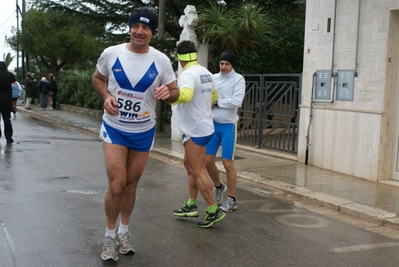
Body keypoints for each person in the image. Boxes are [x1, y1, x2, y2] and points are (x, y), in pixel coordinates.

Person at [92, 6, 179, 262]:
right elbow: (97, 78)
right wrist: (106, 95)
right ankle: (109, 236)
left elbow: (174, 92)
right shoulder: (111, 53)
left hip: (143, 130)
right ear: (130, 28)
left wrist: (168, 94)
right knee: (117, 185)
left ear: (152, 32)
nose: (140, 32)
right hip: (115, 128)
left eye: (146, 28)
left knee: (131, 185)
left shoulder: (161, 60)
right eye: (136, 27)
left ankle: (124, 232)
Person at [172, 40, 226, 228]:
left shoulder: (187, 74)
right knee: (189, 165)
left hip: (194, 129)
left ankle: (213, 210)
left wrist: (168, 97)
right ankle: (191, 205)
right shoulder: (206, 72)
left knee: (197, 170)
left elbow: (185, 96)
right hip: (204, 127)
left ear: (180, 57)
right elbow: (214, 98)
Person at [205, 51, 246, 212]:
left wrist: (217, 102)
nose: (223, 67)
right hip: (213, 125)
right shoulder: (214, 78)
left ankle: (232, 199)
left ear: (232, 65)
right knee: (208, 161)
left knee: (228, 164)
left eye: (227, 64)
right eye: (221, 63)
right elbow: (206, 96)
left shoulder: (238, 79)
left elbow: (237, 101)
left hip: (228, 126)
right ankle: (218, 186)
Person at [0, 61, 17, 143]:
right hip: (6, 100)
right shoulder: (9, 75)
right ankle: (8, 137)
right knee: (7, 120)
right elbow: (14, 80)